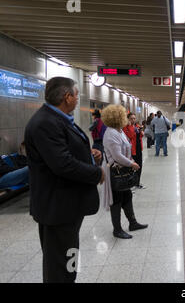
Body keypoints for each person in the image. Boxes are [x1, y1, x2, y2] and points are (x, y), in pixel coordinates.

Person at [24, 76, 104, 283]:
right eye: (76, 95)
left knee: (68, 258)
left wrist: (89, 154)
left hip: (67, 206)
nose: (78, 99)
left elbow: (63, 152)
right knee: (60, 264)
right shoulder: (45, 122)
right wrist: (97, 173)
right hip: (57, 207)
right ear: (67, 97)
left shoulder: (58, 119)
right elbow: (62, 164)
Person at [101, 104, 148, 239]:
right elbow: (117, 156)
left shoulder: (119, 131)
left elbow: (126, 147)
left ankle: (132, 223)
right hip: (116, 171)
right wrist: (131, 163)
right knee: (117, 200)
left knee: (127, 196)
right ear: (118, 118)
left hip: (122, 170)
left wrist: (131, 159)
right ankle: (117, 229)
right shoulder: (111, 134)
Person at [123, 112, 145, 189]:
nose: (133, 120)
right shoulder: (126, 127)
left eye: (134, 118)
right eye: (131, 118)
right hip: (132, 150)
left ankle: (137, 182)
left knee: (139, 166)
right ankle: (130, 184)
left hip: (139, 148)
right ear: (128, 119)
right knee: (131, 167)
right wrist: (131, 127)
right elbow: (130, 136)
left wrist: (141, 131)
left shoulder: (136, 126)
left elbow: (142, 135)